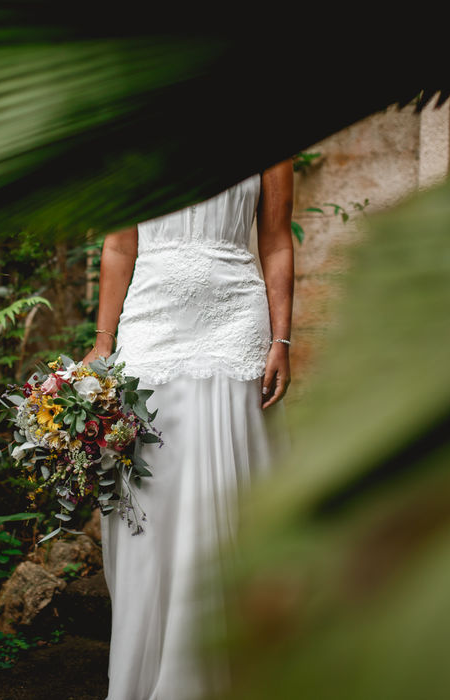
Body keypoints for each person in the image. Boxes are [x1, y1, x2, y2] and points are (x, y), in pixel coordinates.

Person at [83, 160, 294, 699]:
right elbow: (118, 246)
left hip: (236, 328)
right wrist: (103, 342)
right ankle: (150, 672)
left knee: (231, 489)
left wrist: (282, 340)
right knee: (153, 496)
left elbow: (274, 241)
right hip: (151, 328)